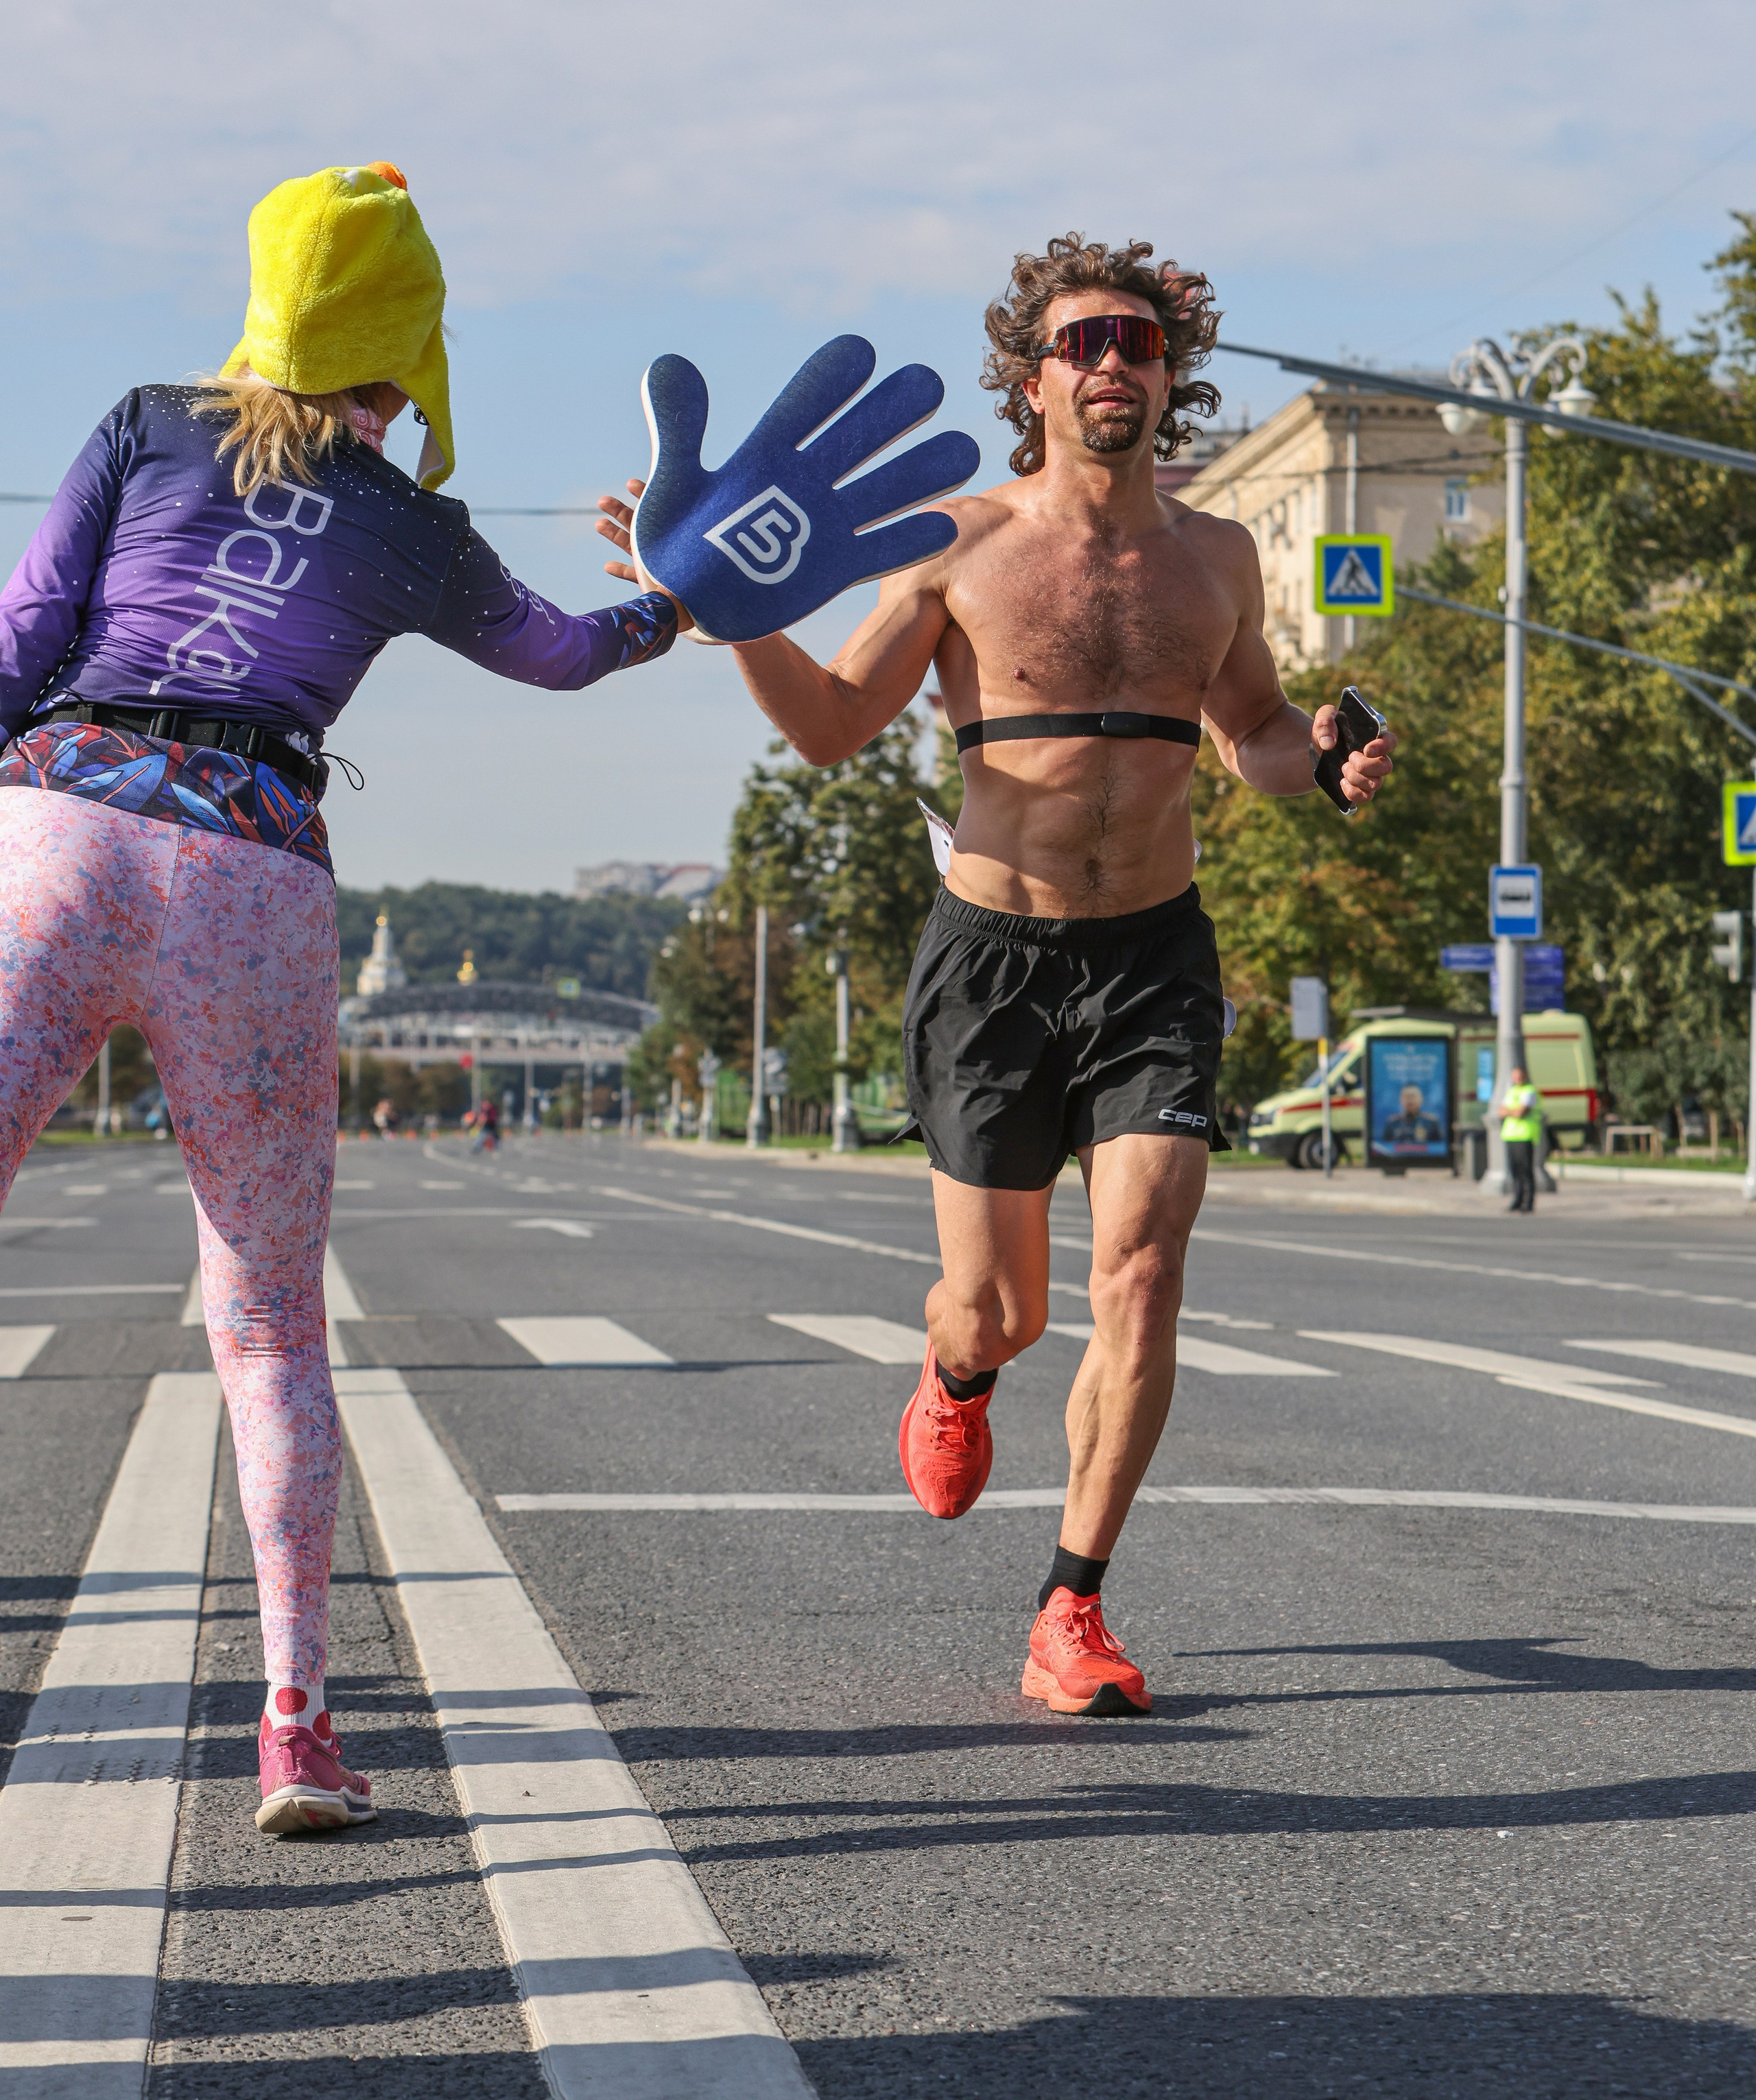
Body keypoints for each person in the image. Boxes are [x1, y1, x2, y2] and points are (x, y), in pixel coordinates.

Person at [598, 232, 1395, 1715]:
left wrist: (1330, 759)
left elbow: (1255, 736)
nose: (1113, 362)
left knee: (1144, 1272)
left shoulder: (1217, 557)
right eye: (1083, 340)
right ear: (1030, 377)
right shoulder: (953, 542)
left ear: (1173, 377)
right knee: (999, 1312)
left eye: (1139, 343)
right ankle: (954, 1375)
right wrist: (727, 612)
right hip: (991, 962)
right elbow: (835, 726)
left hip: (1154, 954)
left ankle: (1070, 1609)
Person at [0, 162, 685, 1833]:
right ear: (407, 356)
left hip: (60, 831)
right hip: (251, 866)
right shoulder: (414, 528)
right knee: (267, 1324)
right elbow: (563, 655)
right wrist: (679, 599)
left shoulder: (146, 422)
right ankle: (296, 1722)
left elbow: (21, 642)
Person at [1498, 1064, 1541, 1212]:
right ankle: (1517, 1199)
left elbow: (1520, 1113)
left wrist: (1510, 1111)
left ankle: (1528, 1202)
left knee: (1526, 1171)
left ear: (1525, 1076)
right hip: (1510, 1135)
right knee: (1514, 1170)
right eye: (1515, 1076)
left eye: (1520, 1076)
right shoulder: (1512, 1091)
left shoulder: (1529, 1091)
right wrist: (1513, 1111)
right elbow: (1501, 1111)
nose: (1517, 1078)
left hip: (1525, 1135)